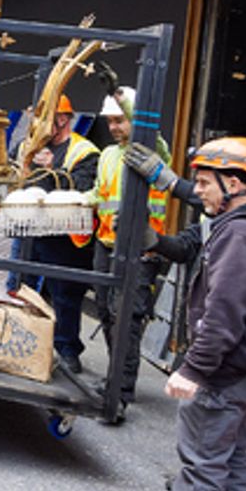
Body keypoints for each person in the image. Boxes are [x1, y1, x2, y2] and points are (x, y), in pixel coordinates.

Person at [119, 136, 246, 491]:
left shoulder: (239, 234)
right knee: (232, 458)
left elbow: (224, 313)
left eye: (203, 181)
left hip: (223, 370)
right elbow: (188, 245)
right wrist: (157, 241)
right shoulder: (238, 226)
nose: (196, 190)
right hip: (244, 371)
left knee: (202, 461)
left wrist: (194, 369)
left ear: (234, 183)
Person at [92, 87, 171, 407]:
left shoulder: (153, 153)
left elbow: (153, 139)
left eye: (120, 120)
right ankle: (115, 373)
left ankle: (122, 387)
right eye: (110, 121)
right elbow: (100, 194)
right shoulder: (108, 155)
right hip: (107, 241)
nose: (114, 127)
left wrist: (125, 100)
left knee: (127, 314)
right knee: (105, 310)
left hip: (142, 247)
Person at [23, 94, 100, 375]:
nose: (40, 127)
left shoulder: (85, 152)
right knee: (26, 288)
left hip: (67, 236)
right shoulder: (36, 146)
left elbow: (81, 187)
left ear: (63, 119)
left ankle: (67, 350)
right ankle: (28, 342)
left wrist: (50, 168)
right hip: (35, 228)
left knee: (65, 294)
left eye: (46, 121)